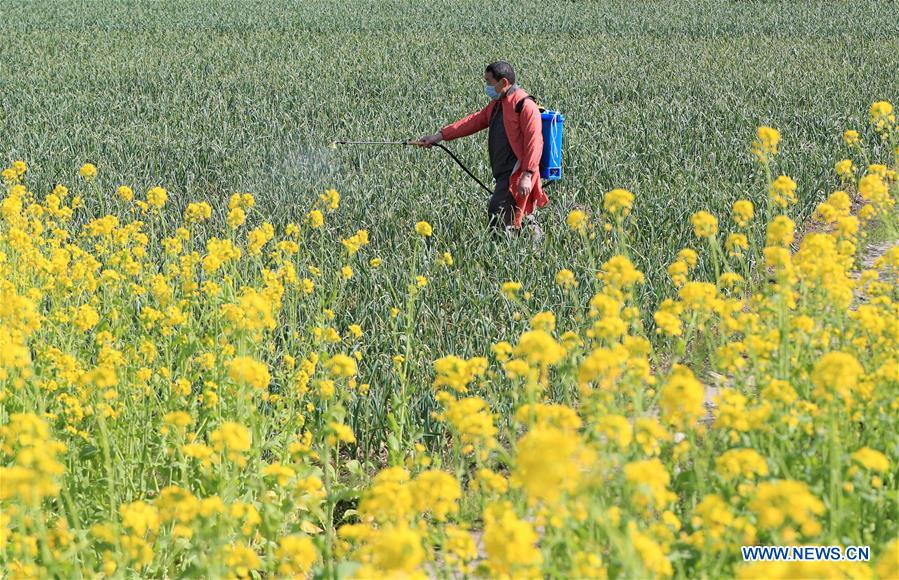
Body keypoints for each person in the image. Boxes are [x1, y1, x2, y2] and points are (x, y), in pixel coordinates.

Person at [415, 61, 547, 234]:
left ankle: (504, 254)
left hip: (517, 173)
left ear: (504, 83)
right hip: (504, 172)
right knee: (521, 215)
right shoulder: (499, 104)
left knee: (498, 211)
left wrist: (527, 175)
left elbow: (534, 142)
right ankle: (533, 252)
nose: (487, 87)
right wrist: (439, 136)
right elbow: (473, 121)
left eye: (489, 82)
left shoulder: (525, 106)